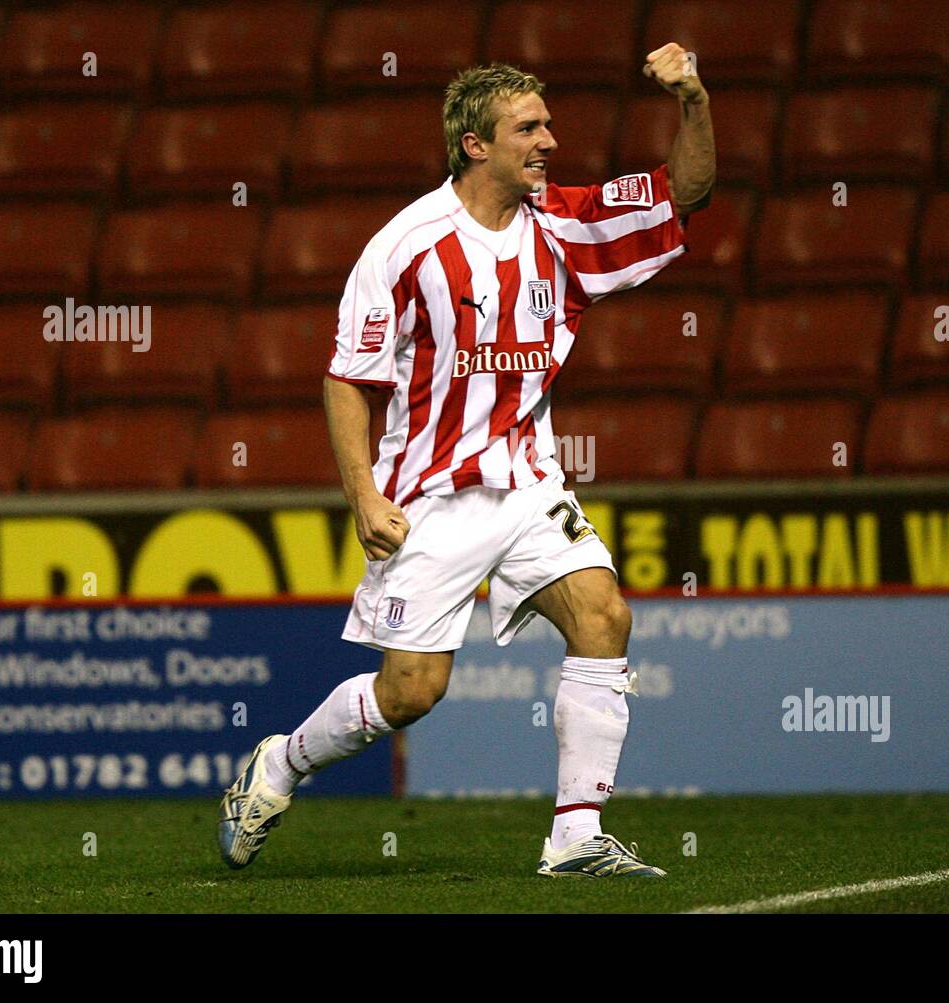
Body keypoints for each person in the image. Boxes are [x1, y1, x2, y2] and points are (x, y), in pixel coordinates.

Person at [219, 44, 714, 877]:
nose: (550, 140)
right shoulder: (405, 247)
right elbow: (348, 378)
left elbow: (684, 192)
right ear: (476, 144)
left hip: (527, 484)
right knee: (412, 691)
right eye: (529, 127)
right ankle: (280, 763)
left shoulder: (564, 225)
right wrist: (363, 496)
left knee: (605, 616)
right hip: (433, 498)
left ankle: (574, 835)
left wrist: (694, 100)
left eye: (549, 123)